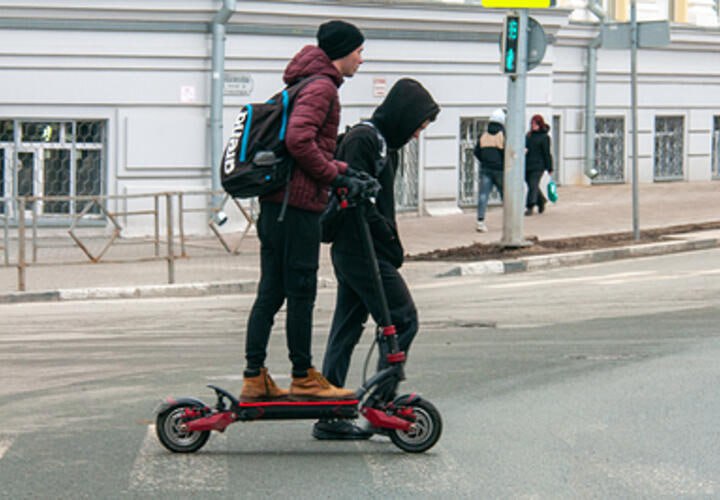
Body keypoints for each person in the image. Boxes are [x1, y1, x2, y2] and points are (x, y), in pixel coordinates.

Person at [240, 20, 370, 402]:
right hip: (296, 208)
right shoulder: (322, 87)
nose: (361, 59)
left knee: (272, 291)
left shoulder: (303, 82)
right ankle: (303, 376)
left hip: (276, 206)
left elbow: (307, 145)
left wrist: (345, 171)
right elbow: (299, 140)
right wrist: (332, 175)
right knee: (301, 291)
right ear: (343, 52)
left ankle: (254, 376)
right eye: (359, 51)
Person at [312, 78, 440, 440]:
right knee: (403, 318)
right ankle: (381, 406)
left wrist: (389, 241)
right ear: (403, 115)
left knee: (347, 328)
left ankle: (330, 413)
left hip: (366, 250)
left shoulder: (386, 145)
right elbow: (356, 201)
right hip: (359, 250)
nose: (417, 134)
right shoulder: (363, 140)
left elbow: (381, 206)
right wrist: (388, 240)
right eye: (417, 125)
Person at [474, 108, 506, 233]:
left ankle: (480, 222)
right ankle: (509, 220)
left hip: (486, 169)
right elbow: (505, 153)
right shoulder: (502, 135)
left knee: (483, 195)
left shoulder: (484, 136)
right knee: (505, 195)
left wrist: (484, 160)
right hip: (500, 170)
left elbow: (476, 152)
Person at [524, 114, 553, 216]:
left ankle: (530, 206)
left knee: (533, 184)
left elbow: (546, 153)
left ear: (540, 124)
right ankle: (541, 201)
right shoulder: (529, 135)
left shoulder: (544, 137)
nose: (533, 126)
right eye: (532, 123)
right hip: (527, 165)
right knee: (532, 185)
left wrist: (549, 167)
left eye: (535, 124)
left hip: (538, 166)